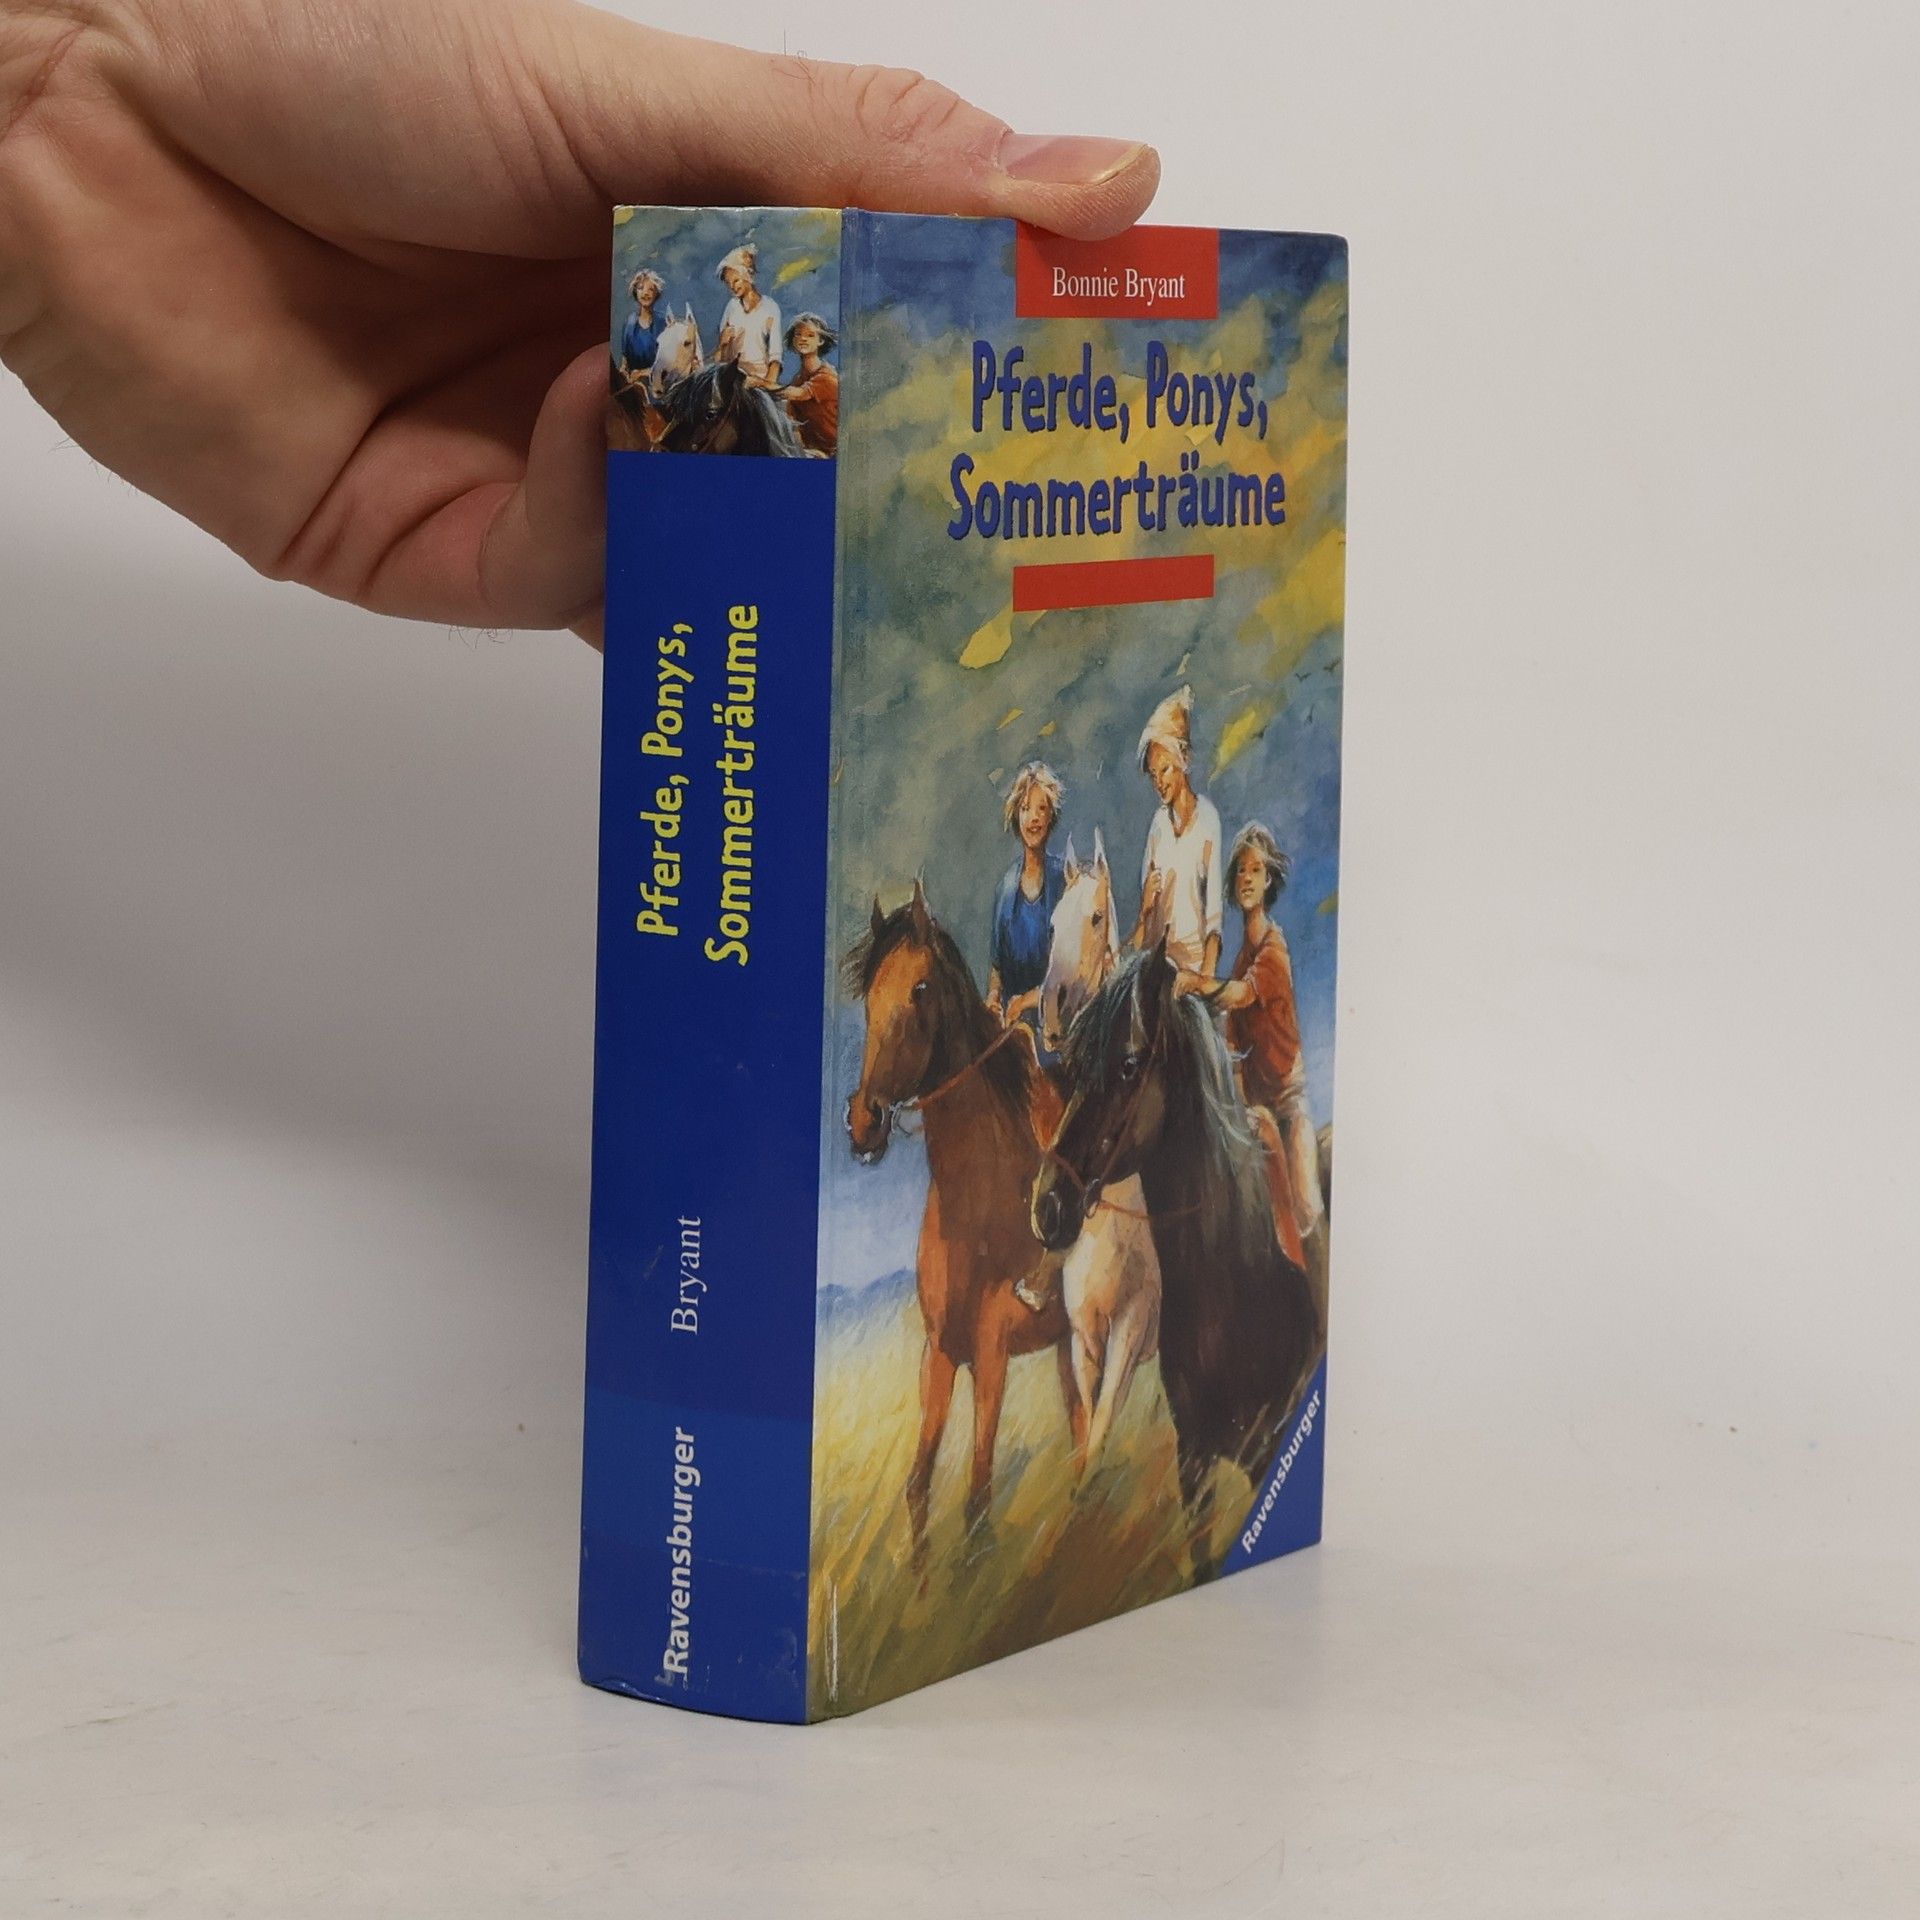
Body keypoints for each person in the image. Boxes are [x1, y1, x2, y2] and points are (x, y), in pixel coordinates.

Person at [0, 0, 1159, 645]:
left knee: (753, 416)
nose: (726, 291)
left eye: (732, 283)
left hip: (776, 407)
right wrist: (53, 82)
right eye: (709, 283)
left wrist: (58, 85)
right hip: (675, 388)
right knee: (684, 406)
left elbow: (765, 375)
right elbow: (688, 363)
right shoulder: (714, 317)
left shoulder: (772, 330)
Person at [1177, 822, 1325, 1268]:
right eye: (1240, 870)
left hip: (1286, 1102)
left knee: (1306, 1208)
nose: (1245, 878)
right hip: (1256, 1108)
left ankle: (1322, 1290)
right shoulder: (1242, 957)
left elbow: (1240, 995)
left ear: (1269, 881)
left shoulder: (1273, 950)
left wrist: (1196, 984)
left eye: (1255, 870)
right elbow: (1232, 1041)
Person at [1131, 685, 1223, 981]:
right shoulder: (1158, 826)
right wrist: (1145, 908)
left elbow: (1214, 921)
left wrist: (1203, 981)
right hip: (1155, 973)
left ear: (1184, 760)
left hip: (1192, 974)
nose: (1158, 782)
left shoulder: (1207, 820)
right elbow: (1141, 940)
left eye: (1165, 770)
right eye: (1153, 774)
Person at [986, 761, 1067, 1045]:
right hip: (1013, 1032)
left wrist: (1029, 1000)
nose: (1033, 818)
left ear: (1050, 816)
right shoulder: (1006, 889)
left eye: (1041, 808)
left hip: (1057, 1032)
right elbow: (997, 967)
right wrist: (993, 998)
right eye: (1025, 809)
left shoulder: (1065, 882)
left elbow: (1073, 975)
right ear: (1016, 816)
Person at [713, 246, 782, 389]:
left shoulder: (770, 308)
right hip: (732, 381)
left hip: (759, 381)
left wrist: (767, 385)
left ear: (748, 276)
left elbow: (775, 358)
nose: (732, 287)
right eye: (728, 283)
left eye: (736, 280)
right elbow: (721, 359)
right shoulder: (731, 307)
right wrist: (722, 344)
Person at [778, 313, 839, 456]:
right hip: (810, 453)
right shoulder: (798, 379)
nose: (803, 339)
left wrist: (761, 384)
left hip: (833, 454)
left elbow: (800, 394)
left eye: (810, 335)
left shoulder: (827, 377)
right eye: (798, 334)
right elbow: (792, 421)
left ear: (821, 341)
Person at [617, 269, 666, 381]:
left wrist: (643, 373)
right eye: (641, 288)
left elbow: (668, 365)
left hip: (658, 383)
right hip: (633, 384)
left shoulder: (663, 323)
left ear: (656, 294)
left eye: (650, 289)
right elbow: (625, 363)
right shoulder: (629, 323)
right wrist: (623, 373)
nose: (645, 293)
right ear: (635, 292)